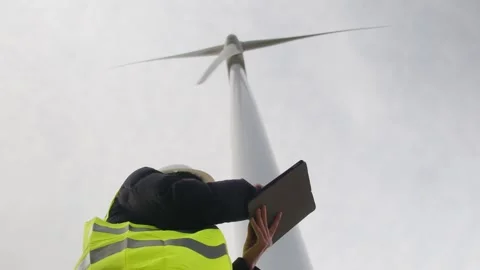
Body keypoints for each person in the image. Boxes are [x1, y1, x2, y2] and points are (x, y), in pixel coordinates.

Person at [74, 164, 282, 270]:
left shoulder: (195, 236)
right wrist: (250, 198)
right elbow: (182, 197)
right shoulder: (136, 191)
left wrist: (246, 262)